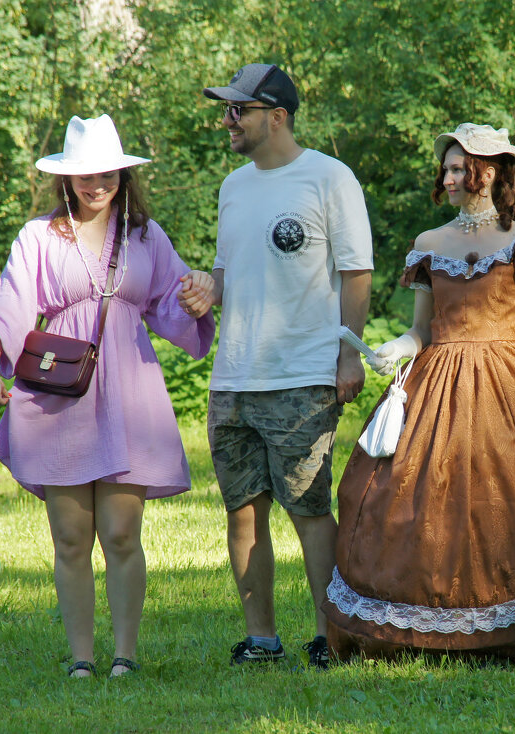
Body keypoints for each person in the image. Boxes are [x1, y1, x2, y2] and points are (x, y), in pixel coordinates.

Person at [323, 124, 515, 659]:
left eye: (454, 168)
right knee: (410, 493)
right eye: (443, 169)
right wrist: (397, 347)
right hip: (438, 379)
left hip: (509, 384)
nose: (445, 178)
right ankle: (430, 619)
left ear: (486, 173)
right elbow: (422, 329)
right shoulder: (428, 244)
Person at [0, 114, 216, 678]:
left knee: (122, 533)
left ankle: (125, 656)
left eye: (107, 173)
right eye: (85, 174)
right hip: (58, 394)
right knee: (71, 535)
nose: (96, 184)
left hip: (128, 391)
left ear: (123, 176)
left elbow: (174, 301)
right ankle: (82, 659)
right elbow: (10, 303)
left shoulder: (145, 237)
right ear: (66, 177)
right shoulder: (38, 236)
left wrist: (198, 296)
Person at [179, 63, 372, 670]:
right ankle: (261, 638)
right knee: (242, 511)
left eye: (239, 110)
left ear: (278, 117)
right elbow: (230, 270)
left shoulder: (329, 179)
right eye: (227, 110)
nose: (228, 121)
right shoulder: (232, 187)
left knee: (310, 509)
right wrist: (210, 289)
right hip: (233, 378)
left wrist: (348, 353)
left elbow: (356, 272)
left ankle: (329, 634)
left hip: (302, 375)